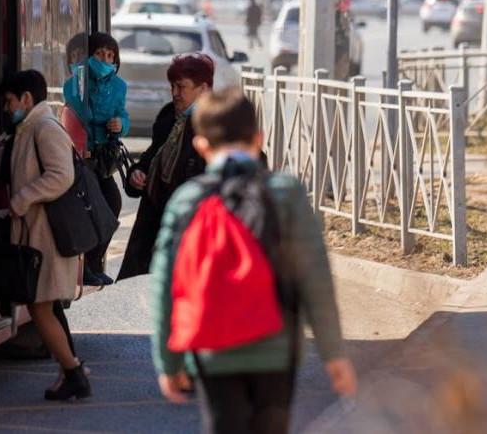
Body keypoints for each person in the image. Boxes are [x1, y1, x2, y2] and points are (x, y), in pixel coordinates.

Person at [150, 88, 356, 434]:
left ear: (201, 145)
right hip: (276, 348)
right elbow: (315, 278)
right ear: (258, 139)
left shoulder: (187, 200)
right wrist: (333, 353)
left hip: (212, 348)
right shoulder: (285, 192)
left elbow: (165, 287)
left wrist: (168, 362)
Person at [0, 70, 91, 400]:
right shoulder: (24, 129)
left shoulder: (44, 128)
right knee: (44, 307)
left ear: (26, 99)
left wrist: (22, 199)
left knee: (40, 308)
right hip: (35, 234)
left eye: (9, 101)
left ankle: (74, 373)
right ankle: (71, 372)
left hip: (47, 237)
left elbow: (61, 175)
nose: (6, 108)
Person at [117, 53, 214, 281]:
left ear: (203, 88)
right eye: (172, 86)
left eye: (181, 87)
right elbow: (151, 157)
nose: (175, 93)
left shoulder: (215, 124)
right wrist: (137, 173)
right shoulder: (169, 117)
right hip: (156, 226)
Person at [64, 31, 130, 285]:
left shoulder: (119, 86)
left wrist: (120, 124)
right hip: (81, 157)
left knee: (113, 204)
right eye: (99, 54)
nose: (105, 59)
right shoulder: (76, 82)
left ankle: (93, 262)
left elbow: (123, 115)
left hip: (103, 159)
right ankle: (85, 267)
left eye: (110, 55)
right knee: (93, 208)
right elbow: (79, 112)